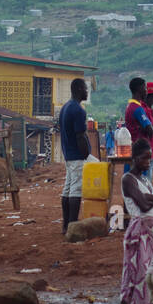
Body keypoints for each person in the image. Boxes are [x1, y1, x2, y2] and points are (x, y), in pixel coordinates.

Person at [119, 138, 153, 304]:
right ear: (134, 158)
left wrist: (152, 199)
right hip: (140, 235)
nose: (147, 163)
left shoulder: (144, 180)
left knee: (147, 278)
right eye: (144, 159)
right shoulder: (128, 179)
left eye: (149, 159)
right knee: (135, 279)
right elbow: (144, 205)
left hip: (151, 235)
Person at [58, 77, 89, 236]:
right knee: (76, 190)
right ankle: (72, 227)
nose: (87, 91)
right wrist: (86, 155)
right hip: (77, 155)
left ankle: (65, 225)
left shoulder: (65, 108)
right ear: (78, 89)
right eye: (85, 88)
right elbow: (80, 136)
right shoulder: (78, 110)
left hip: (68, 154)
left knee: (68, 188)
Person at [123, 78, 153, 173]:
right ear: (139, 89)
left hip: (132, 151)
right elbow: (151, 131)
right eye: (145, 88)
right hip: (139, 154)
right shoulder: (138, 109)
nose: (146, 91)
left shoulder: (130, 106)